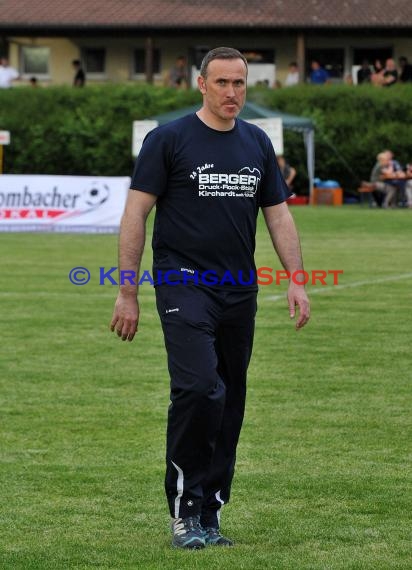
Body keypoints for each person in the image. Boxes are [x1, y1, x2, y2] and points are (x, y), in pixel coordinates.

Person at [110, 46, 310, 550]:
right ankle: (184, 508)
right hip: (183, 284)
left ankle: (211, 511)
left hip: (240, 291)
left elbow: (279, 216)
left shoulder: (256, 144)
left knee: (231, 401)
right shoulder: (169, 139)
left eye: (239, 84)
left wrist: (297, 278)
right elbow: (136, 215)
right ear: (201, 84)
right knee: (201, 388)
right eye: (222, 83)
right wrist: (127, 292)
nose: (232, 93)